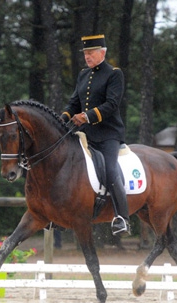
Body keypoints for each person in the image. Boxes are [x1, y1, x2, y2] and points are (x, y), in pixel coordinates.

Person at [61, 34, 130, 237]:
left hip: (108, 134)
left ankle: (122, 218)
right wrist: (61, 118)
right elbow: (74, 102)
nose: (87, 57)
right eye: (85, 53)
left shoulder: (114, 74)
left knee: (109, 169)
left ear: (103, 52)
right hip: (86, 135)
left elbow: (111, 104)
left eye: (90, 53)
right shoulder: (83, 75)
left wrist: (87, 116)